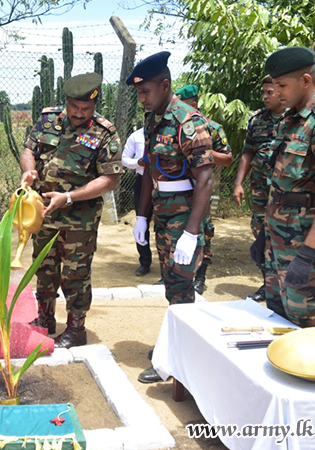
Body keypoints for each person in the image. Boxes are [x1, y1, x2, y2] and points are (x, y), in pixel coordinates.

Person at [20, 73, 123, 348]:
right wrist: (29, 171)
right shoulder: (47, 119)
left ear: (95, 105)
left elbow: (109, 179)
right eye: (74, 107)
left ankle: (76, 330)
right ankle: (45, 319)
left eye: (86, 109)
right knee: (44, 267)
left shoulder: (104, 133)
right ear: (65, 101)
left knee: (75, 273)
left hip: (80, 219)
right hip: (44, 212)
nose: (79, 113)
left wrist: (68, 197)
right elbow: (29, 150)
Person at [128, 52, 214, 382]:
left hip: (184, 212)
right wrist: (142, 215)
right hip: (162, 209)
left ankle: (177, 360)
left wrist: (191, 233)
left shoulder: (189, 122)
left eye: (146, 91)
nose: (142, 98)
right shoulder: (153, 120)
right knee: (171, 283)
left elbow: (205, 178)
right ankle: (176, 345)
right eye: (139, 93)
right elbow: (150, 168)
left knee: (180, 285)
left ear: (165, 85)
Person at [250, 46, 315, 328]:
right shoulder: (288, 120)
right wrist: (264, 234)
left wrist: (308, 252)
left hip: (305, 241)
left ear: (306, 80)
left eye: (282, 85)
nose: (276, 92)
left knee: (306, 320)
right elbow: (278, 185)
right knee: (278, 315)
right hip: (277, 238)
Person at [174, 84, 233, 294]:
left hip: (200, 189)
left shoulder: (212, 127)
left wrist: (201, 151)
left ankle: (200, 277)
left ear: (193, 103)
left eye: (181, 103)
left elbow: (227, 158)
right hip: (177, 193)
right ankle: (174, 274)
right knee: (173, 232)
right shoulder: (174, 127)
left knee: (202, 231)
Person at [233, 76, 285, 302]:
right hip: (260, 190)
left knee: (286, 235)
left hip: (287, 192)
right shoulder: (257, 120)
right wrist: (238, 183)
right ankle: (268, 284)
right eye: (263, 92)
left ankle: (288, 286)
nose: (265, 96)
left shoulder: (297, 119)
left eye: (269, 92)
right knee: (259, 232)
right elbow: (248, 152)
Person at [121, 127, 153, 277]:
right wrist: (138, 162)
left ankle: (169, 264)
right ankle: (144, 262)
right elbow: (124, 159)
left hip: (166, 182)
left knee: (165, 224)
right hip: (142, 181)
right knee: (142, 220)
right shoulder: (136, 136)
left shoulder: (170, 133)